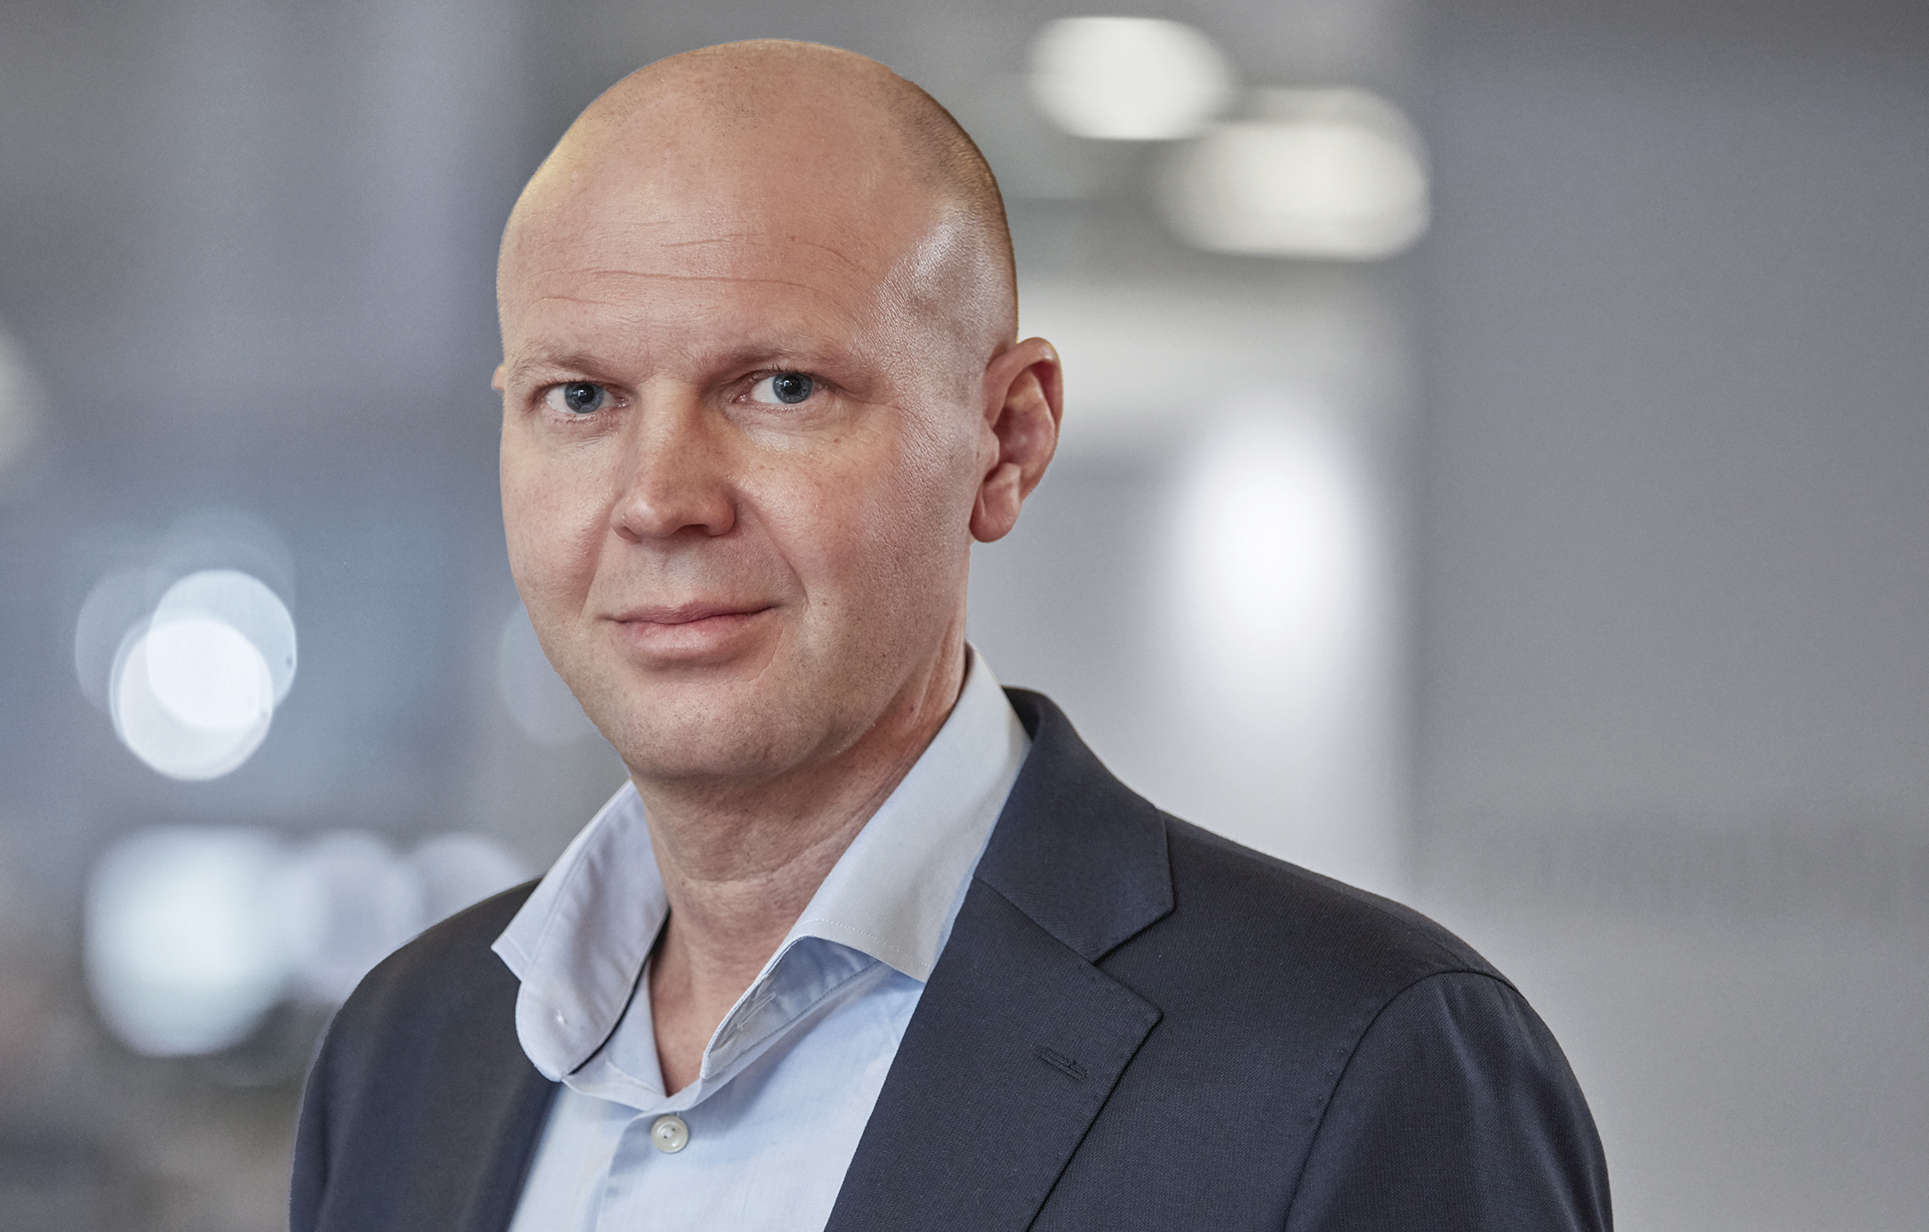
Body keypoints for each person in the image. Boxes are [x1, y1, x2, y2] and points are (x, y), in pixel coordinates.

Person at [290, 39, 1610, 1232]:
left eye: (782, 386)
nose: (661, 500)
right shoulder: (408, 1054)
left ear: (1008, 440)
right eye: (580, 398)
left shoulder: (1359, 1062)